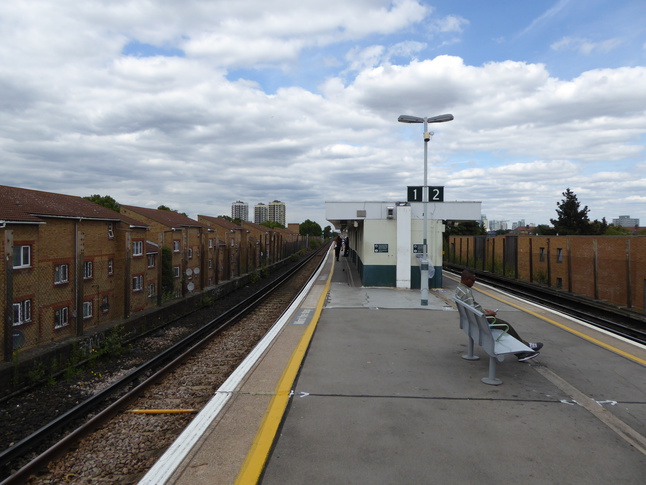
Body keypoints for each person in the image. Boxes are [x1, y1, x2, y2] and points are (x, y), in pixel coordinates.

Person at [455, 268, 543, 362]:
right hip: (480, 322)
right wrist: (488, 315)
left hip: (471, 321)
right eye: (473, 280)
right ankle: (522, 353)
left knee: (504, 326)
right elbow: (473, 312)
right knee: (505, 326)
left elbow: (472, 308)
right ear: (467, 279)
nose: (474, 283)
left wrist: (485, 311)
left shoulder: (460, 289)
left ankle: (526, 345)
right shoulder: (466, 293)